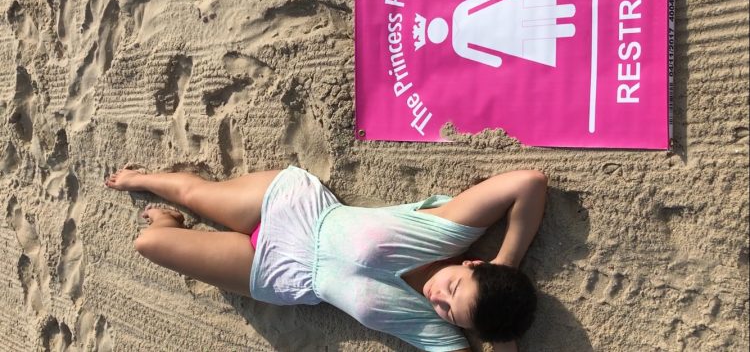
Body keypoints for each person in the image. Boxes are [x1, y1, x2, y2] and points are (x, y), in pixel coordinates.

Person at [105, 164, 547, 352]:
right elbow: (528, 183)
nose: (439, 297)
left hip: (280, 274)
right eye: (453, 288)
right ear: (473, 264)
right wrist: (508, 264)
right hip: (293, 208)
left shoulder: (434, 328)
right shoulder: (445, 230)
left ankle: (167, 223)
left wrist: (494, 331)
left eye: (450, 312)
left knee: (150, 245)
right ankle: (144, 179)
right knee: (194, 193)